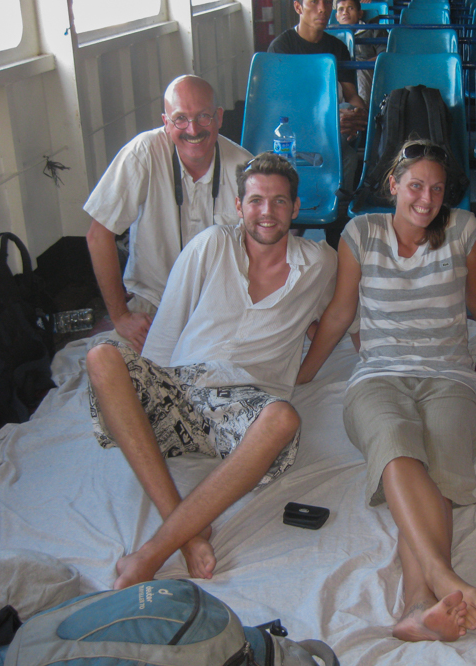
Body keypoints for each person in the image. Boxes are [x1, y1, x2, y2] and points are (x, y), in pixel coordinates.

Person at [86, 153, 337, 590]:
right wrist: (149, 393)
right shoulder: (209, 244)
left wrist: (306, 367)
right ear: (238, 207)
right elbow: (167, 328)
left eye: (279, 202)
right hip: (183, 388)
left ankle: (151, 553)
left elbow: (335, 319)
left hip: (247, 403)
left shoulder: (319, 264)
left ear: (296, 209)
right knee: (102, 357)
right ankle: (183, 533)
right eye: (256, 201)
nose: (267, 213)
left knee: (283, 418)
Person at [296, 140, 476, 641]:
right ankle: (441, 577)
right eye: (415, 186)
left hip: (449, 375)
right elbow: (342, 313)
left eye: (436, 189)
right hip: (379, 375)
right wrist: (302, 375)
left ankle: (417, 603)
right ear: (393, 185)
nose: (426, 199)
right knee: (396, 449)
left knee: (443, 468)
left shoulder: (466, 231)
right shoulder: (360, 233)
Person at [85, 75, 253, 353]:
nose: (193, 129)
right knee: (108, 365)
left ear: (219, 118)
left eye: (203, 117)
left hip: (221, 306)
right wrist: (121, 317)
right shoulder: (142, 154)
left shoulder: (245, 168)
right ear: (165, 122)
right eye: (180, 119)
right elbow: (97, 236)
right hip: (153, 305)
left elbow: (266, 248)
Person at [269, 0, 369, 248]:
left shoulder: (337, 48)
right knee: (339, 138)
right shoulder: (282, 47)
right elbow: (280, 105)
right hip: (293, 129)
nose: (323, 9)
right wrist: (329, 117)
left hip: (329, 131)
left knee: (346, 143)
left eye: (327, 2)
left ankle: (337, 219)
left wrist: (359, 113)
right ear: (298, 7)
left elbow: (351, 95)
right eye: (314, 1)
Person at [335, 0, 387, 107]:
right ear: (336, 16)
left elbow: (384, 55)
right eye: (341, 9)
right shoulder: (331, 36)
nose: (345, 12)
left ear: (360, 14)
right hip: (341, 72)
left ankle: (363, 112)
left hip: (366, 71)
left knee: (359, 71)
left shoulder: (374, 30)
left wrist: (361, 64)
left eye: (350, 8)